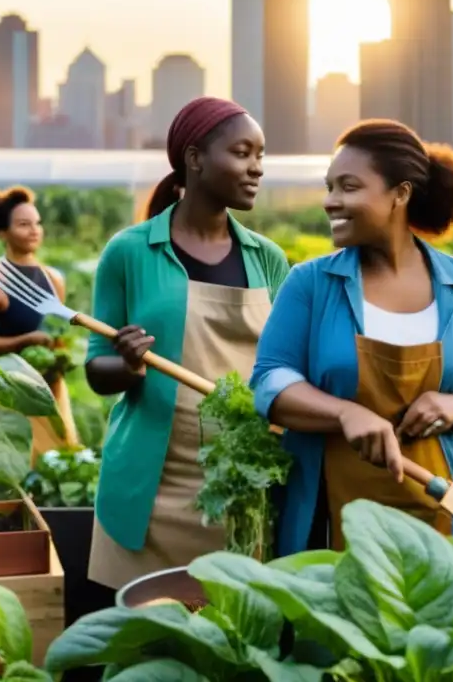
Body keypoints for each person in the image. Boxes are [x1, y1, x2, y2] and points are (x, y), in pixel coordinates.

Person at [250, 119, 453, 572]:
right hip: (334, 521)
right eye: (329, 187)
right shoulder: (311, 283)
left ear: (400, 194)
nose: (330, 202)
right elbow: (269, 381)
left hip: (447, 516)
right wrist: (344, 412)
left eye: (349, 187)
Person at [84, 96, 290, 591]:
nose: (256, 168)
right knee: (146, 645)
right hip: (154, 492)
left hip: (242, 486)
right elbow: (96, 370)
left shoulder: (268, 259)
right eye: (242, 153)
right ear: (195, 159)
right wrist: (129, 363)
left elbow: (286, 368)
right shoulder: (130, 252)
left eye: (260, 155)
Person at [0, 185, 79, 453]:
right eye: (24, 224)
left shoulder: (53, 278)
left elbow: (55, 329)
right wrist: (23, 341)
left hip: (49, 388)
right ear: (3, 232)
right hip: (10, 391)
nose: (34, 230)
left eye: (37, 223)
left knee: (58, 461)